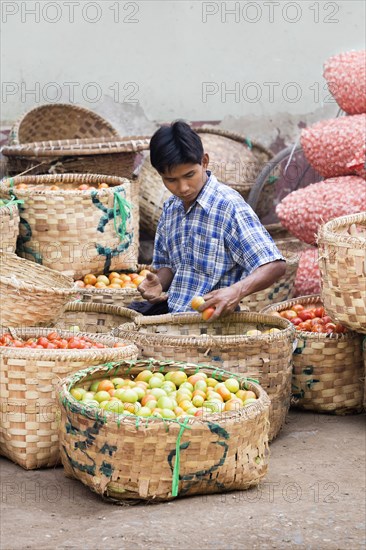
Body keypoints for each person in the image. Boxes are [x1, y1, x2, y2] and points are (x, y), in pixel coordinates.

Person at [133, 120, 286, 320]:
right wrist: (159, 283)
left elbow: (274, 265)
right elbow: (169, 266)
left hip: (212, 323)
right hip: (173, 320)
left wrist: (236, 291)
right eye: (171, 180)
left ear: (204, 162)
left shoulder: (227, 206)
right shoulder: (171, 208)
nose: (183, 188)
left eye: (190, 175)